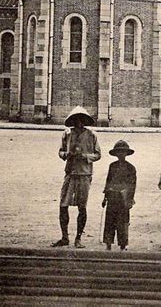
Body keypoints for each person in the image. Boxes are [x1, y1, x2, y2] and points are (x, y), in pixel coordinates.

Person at [52, 106, 101, 248]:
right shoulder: (67, 134)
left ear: (85, 121)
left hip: (84, 174)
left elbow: (98, 154)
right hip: (70, 173)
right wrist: (66, 155)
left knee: (82, 206)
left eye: (81, 120)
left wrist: (85, 156)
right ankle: (64, 237)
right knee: (63, 205)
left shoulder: (92, 135)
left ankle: (78, 238)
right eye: (76, 120)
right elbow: (61, 151)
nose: (79, 123)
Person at [102, 140, 137, 251]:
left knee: (123, 222)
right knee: (109, 221)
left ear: (126, 153)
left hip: (123, 198)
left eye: (123, 152)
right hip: (112, 197)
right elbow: (108, 181)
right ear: (116, 154)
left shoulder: (131, 168)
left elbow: (132, 184)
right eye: (119, 152)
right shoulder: (112, 166)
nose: (121, 154)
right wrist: (105, 197)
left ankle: (123, 244)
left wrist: (130, 199)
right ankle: (108, 243)